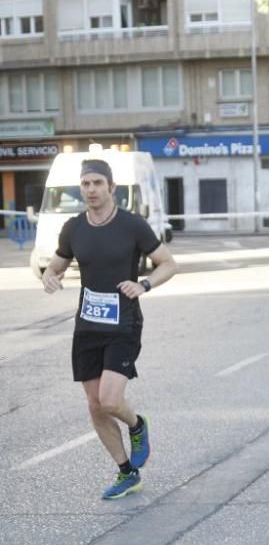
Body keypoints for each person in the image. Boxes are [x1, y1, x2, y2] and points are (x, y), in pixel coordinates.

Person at [41, 159, 177, 499]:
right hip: (87, 325)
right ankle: (126, 472)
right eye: (85, 183)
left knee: (110, 399)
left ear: (111, 188)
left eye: (97, 183)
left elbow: (169, 264)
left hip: (124, 323)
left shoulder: (133, 226)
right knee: (94, 405)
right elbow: (56, 264)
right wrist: (49, 275)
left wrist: (144, 284)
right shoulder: (73, 228)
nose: (91, 190)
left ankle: (136, 425)